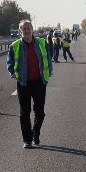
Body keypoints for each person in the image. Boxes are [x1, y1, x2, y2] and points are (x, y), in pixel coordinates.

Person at [7, 20, 53, 148]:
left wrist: (49, 73)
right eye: (24, 29)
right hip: (23, 83)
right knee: (24, 113)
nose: (27, 31)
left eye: (28, 28)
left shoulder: (42, 43)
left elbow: (48, 59)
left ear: (32, 29)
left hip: (39, 82)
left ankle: (36, 133)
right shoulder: (15, 46)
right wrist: (15, 76)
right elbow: (10, 64)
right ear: (20, 31)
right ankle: (27, 139)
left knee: (39, 112)